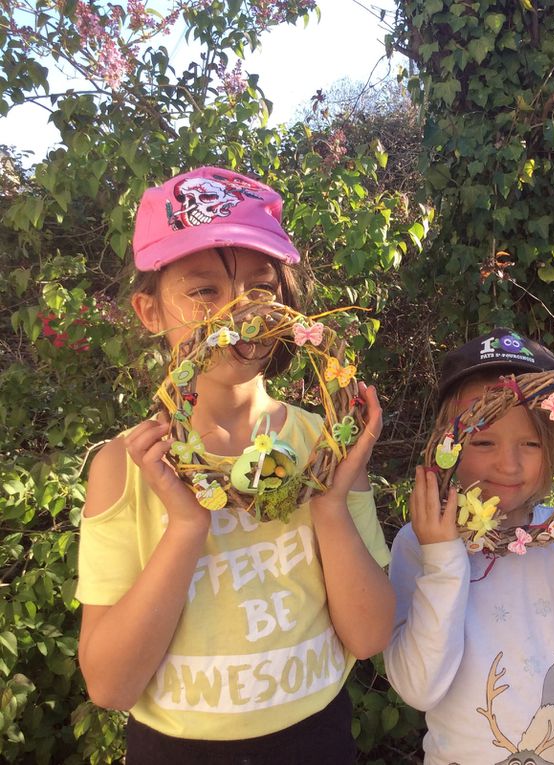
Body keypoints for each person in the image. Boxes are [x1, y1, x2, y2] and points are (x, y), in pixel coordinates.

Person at [76, 166, 395, 764]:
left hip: (315, 740)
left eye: (261, 287)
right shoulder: (125, 467)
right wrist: (188, 527)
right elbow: (110, 686)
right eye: (203, 292)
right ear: (150, 313)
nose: (239, 313)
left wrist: (328, 501)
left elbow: (370, 636)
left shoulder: (326, 442)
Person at [383, 328, 554, 765]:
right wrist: (444, 560)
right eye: (483, 441)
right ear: (447, 446)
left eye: (531, 443)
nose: (509, 464)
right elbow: (418, 688)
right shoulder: (420, 544)